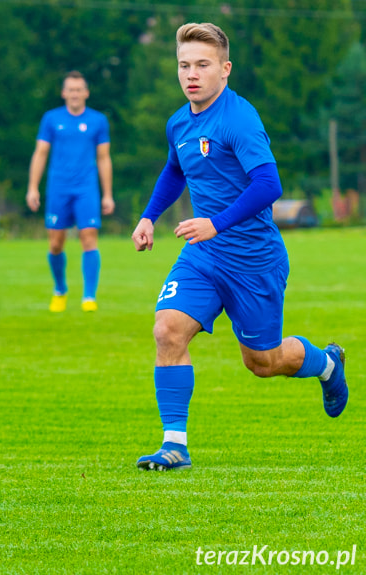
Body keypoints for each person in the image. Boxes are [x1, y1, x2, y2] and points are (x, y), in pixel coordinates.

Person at [131, 22, 348, 471]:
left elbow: (269, 183)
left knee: (264, 363)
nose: (191, 74)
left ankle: (326, 364)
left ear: (225, 70)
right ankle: (174, 445)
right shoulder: (179, 122)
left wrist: (217, 222)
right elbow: (176, 170)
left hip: (254, 262)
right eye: (184, 65)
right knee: (166, 330)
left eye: (202, 65)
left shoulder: (239, 118)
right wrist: (149, 217)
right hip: (204, 257)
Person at [26, 71, 114, 313]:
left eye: (79, 89)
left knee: (89, 238)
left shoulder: (98, 121)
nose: (75, 94)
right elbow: (40, 153)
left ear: (86, 92)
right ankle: (60, 290)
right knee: (55, 244)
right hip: (58, 189)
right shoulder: (51, 119)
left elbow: (104, 158)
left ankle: (89, 297)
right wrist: (33, 187)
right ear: (64, 93)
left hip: (86, 188)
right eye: (70, 90)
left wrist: (107, 193)